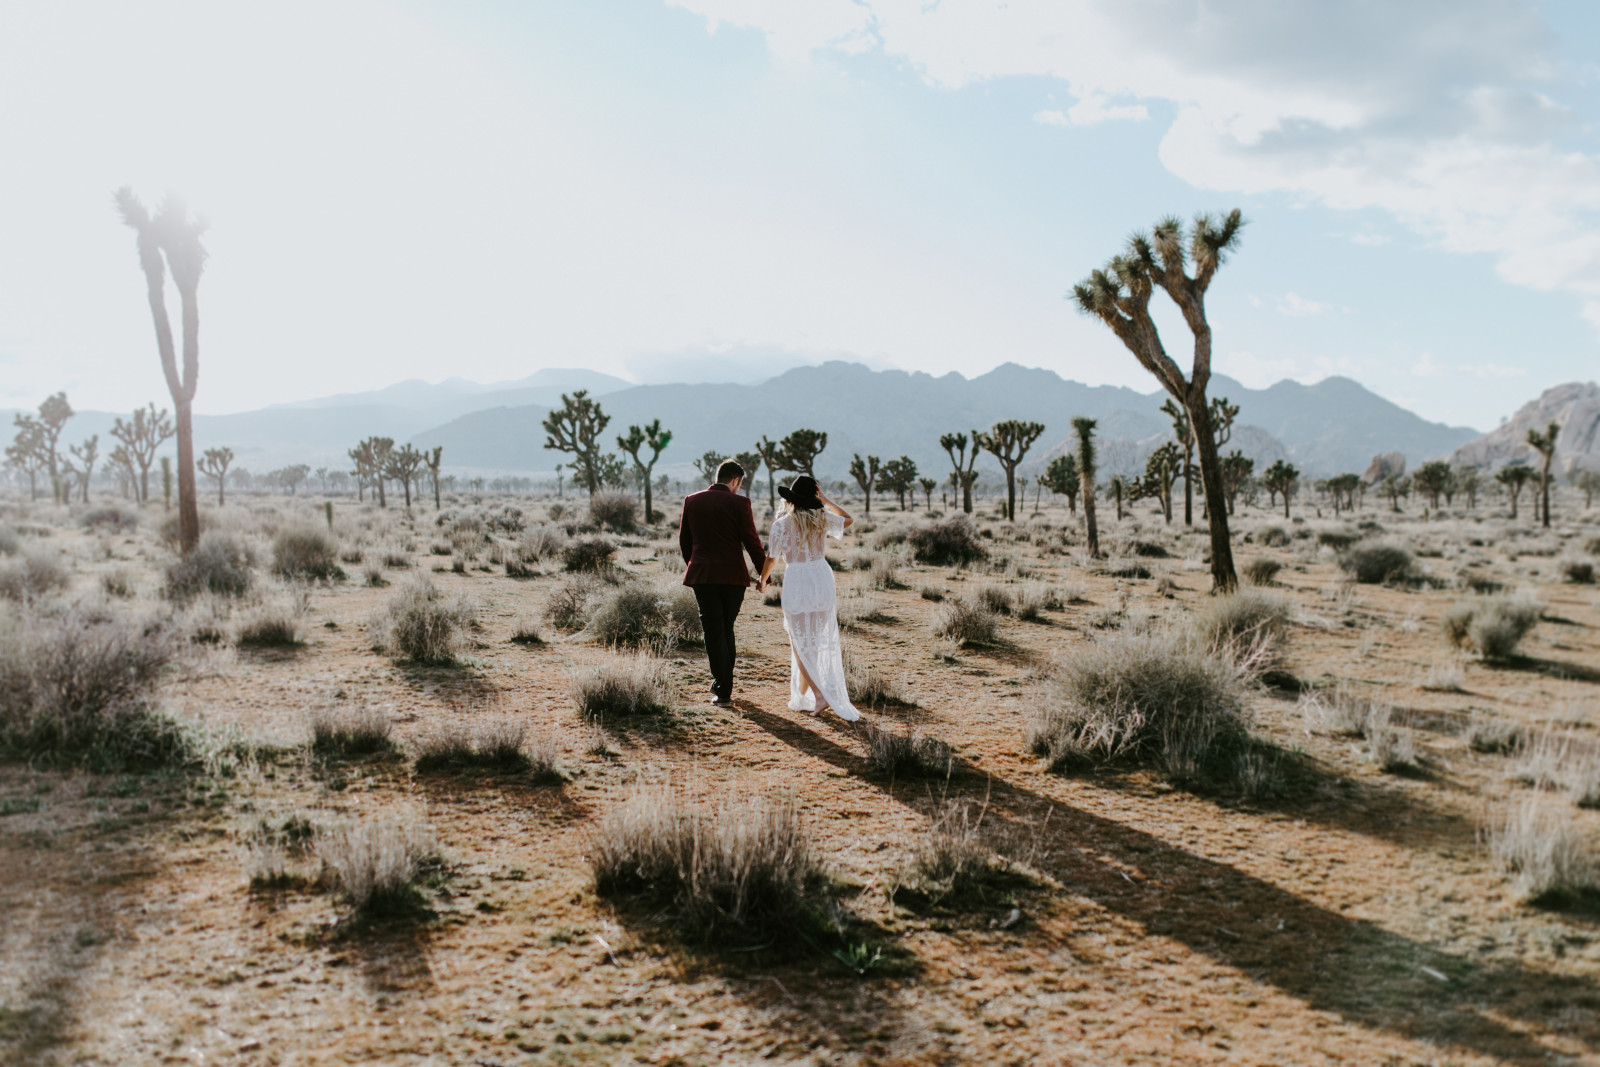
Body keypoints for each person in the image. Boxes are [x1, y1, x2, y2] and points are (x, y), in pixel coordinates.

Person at [756, 475, 860, 721]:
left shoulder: (781, 525)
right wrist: (824, 499)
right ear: (813, 498)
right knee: (811, 640)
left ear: (791, 499)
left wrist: (762, 580)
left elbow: (772, 558)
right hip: (821, 578)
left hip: (798, 580)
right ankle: (801, 697)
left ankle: (819, 695)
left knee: (799, 641)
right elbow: (848, 519)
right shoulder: (821, 518)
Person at [679, 459, 766, 707]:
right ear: (736, 480)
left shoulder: (692, 500)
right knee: (726, 627)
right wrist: (764, 574)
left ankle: (723, 688)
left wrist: (694, 565)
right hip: (733, 577)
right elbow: (752, 541)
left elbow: (685, 541)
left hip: (703, 576)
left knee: (713, 630)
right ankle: (723, 686)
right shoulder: (740, 503)